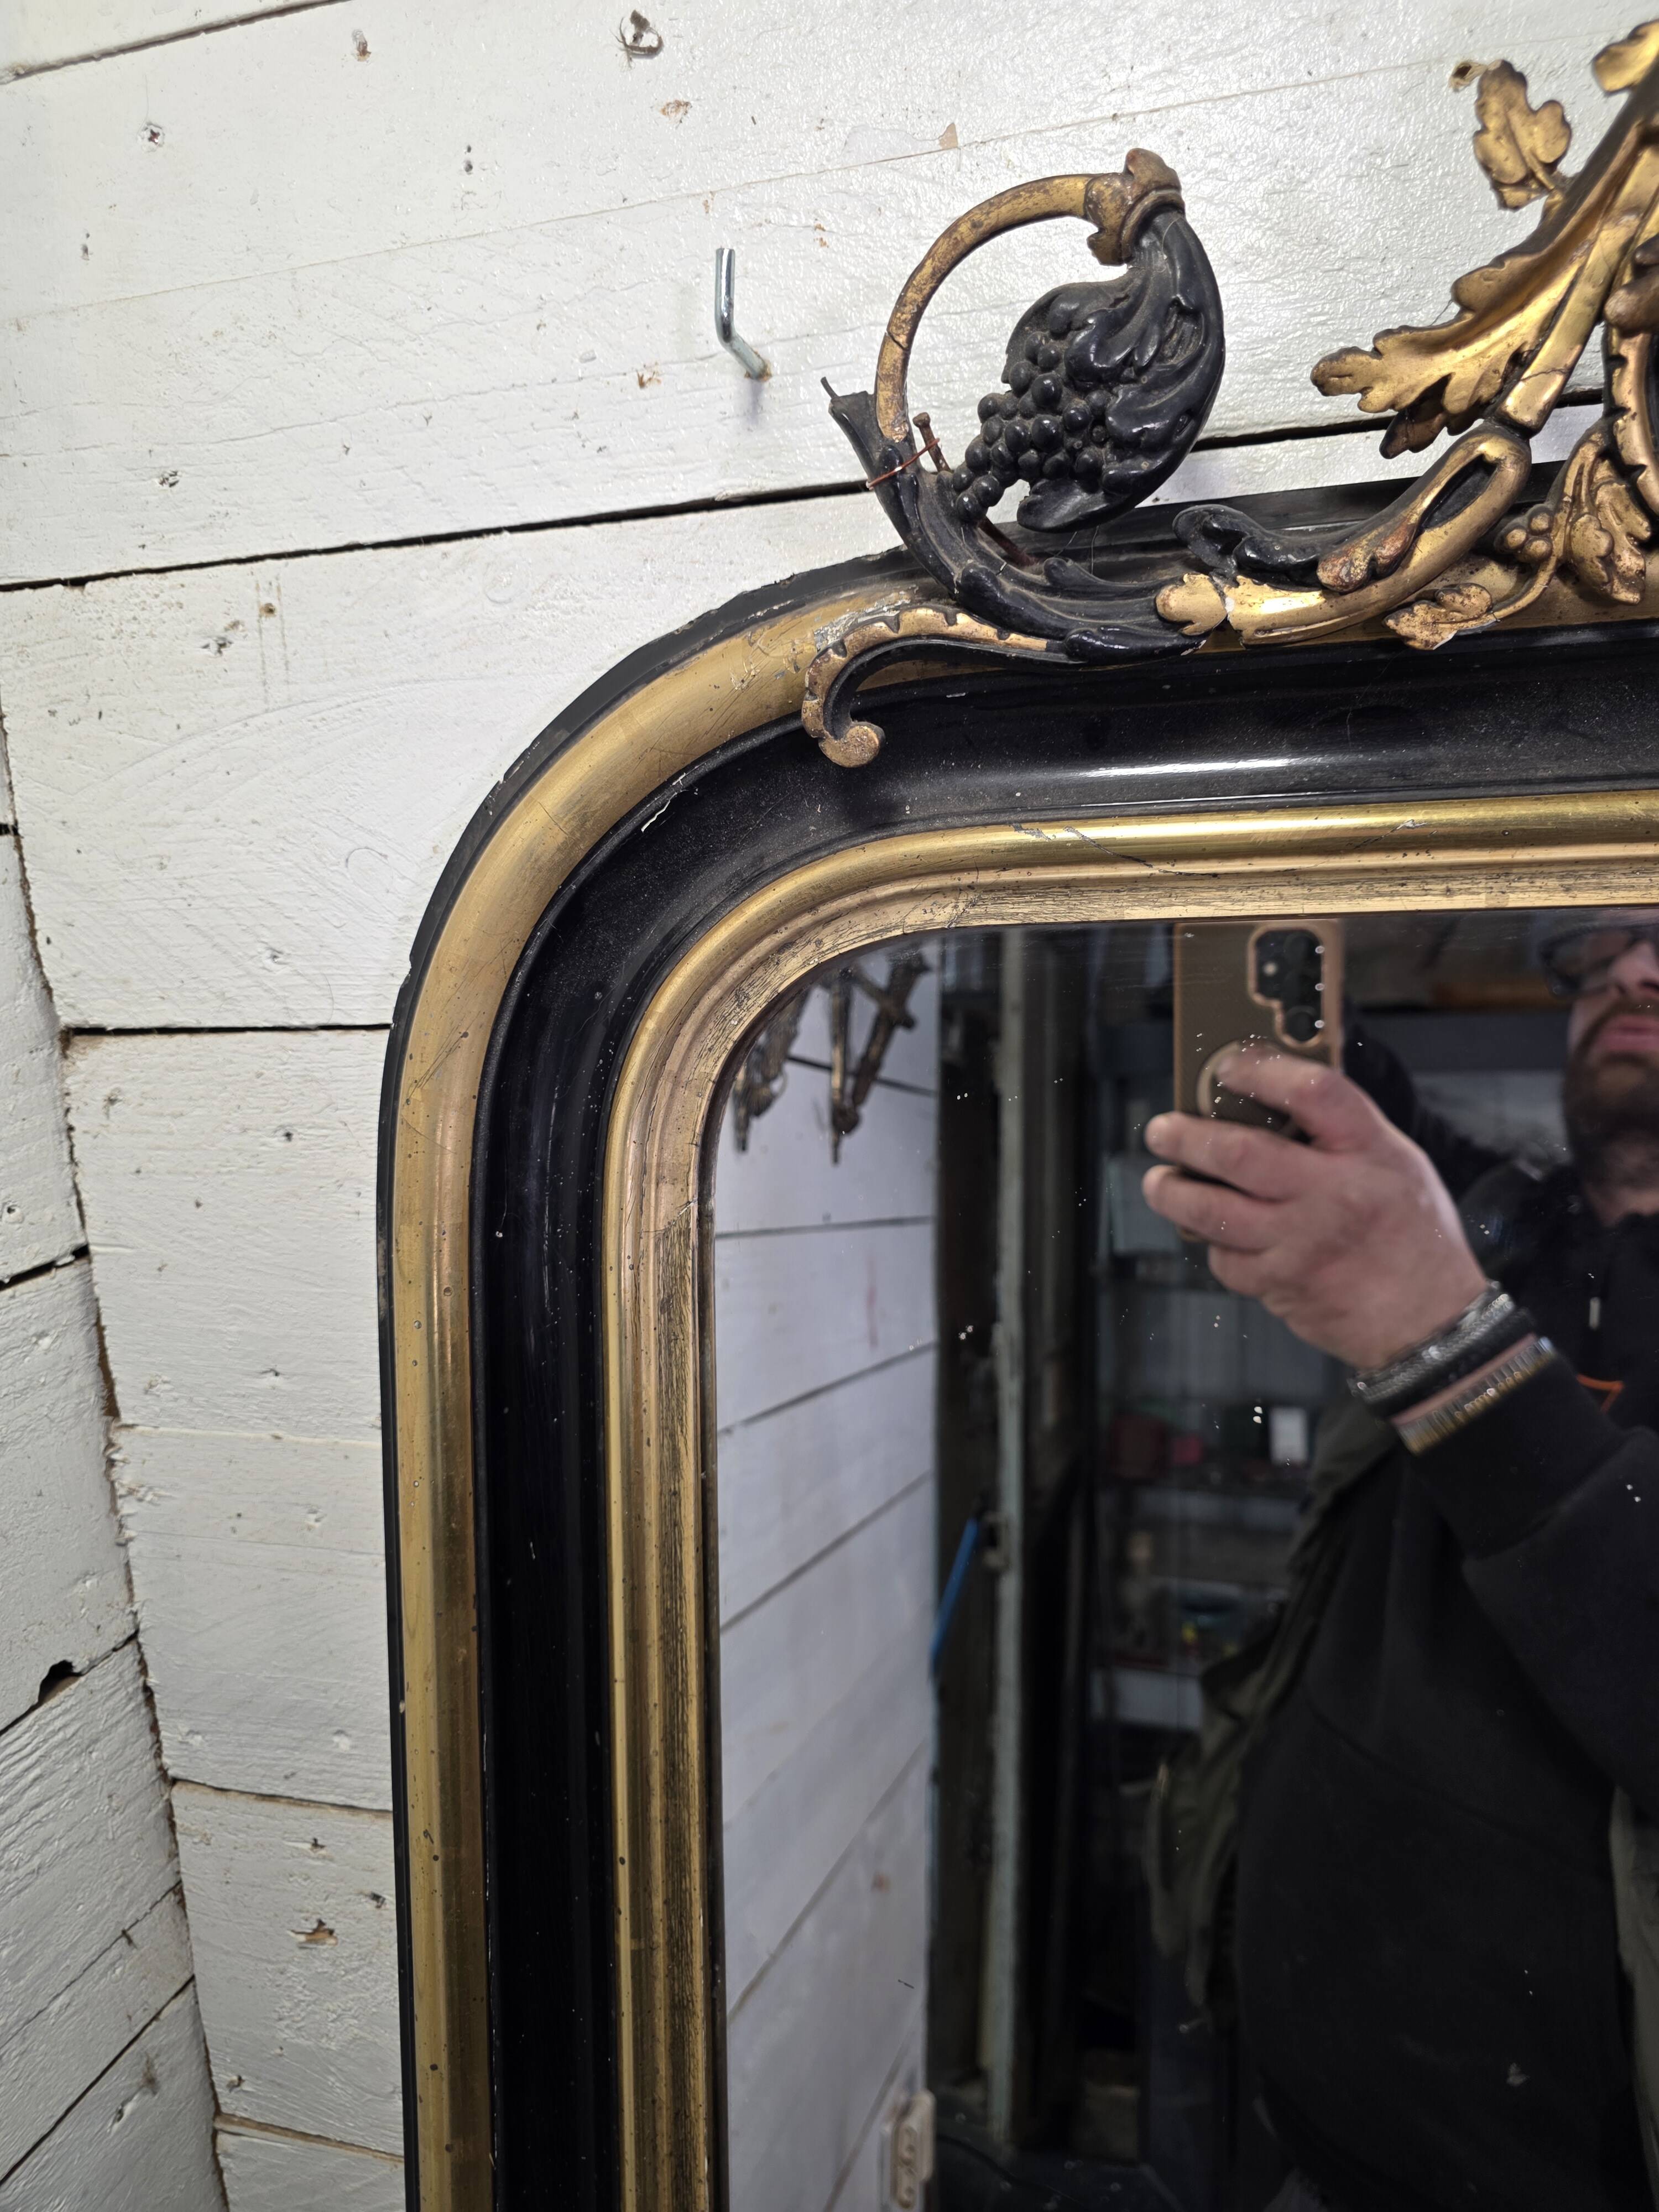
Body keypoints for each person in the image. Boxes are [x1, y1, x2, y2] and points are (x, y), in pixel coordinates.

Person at [1137, 910, 1659, 2212]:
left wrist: (1447, 1344)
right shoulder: (1502, 1218)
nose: (1635, 973)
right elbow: (1357, 1119)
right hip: (1303, 2117)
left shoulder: (1462, 1267)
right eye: (1601, 955)